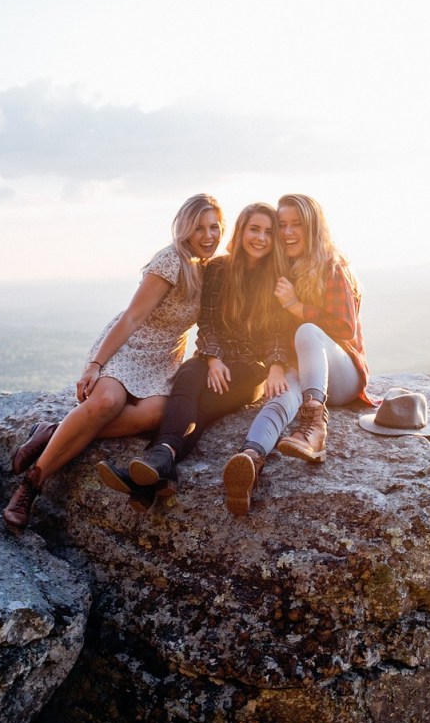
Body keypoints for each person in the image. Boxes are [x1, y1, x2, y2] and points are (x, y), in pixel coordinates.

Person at [2, 193, 225, 531]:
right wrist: (96, 364)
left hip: (163, 359)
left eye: (214, 228)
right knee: (108, 401)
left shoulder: (209, 269)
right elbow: (132, 318)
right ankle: (31, 485)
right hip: (130, 347)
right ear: (185, 230)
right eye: (200, 229)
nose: (208, 236)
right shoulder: (169, 261)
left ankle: (52, 433)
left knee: (154, 414)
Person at [97, 202, 290, 509]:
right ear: (241, 231)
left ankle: (154, 472)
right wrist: (213, 359)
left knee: (204, 402)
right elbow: (208, 322)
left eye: (269, 232)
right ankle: (162, 469)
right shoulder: (218, 269)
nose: (261, 238)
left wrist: (277, 366)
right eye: (254, 229)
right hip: (215, 357)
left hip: (251, 369)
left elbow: (281, 331)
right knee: (187, 376)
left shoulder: (280, 276)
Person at [222, 192, 374, 516]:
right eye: (283, 225)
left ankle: (314, 428)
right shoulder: (283, 269)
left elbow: (345, 328)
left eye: (297, 225)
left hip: (341, 373)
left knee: (306, 331)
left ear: (313, 228)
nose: (288, 233)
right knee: (278, 394)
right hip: (305, 373)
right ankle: (251, 459)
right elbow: (275, 329)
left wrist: (296, 306)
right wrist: (275, 367)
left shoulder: (333, 266)